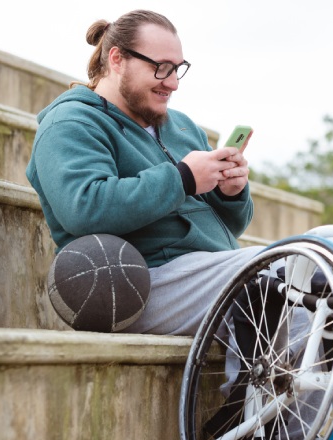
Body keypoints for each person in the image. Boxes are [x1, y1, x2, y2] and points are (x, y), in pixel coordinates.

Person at [26, 9, 263, 337]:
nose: (173, 82)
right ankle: (259, 382)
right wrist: (182, 178)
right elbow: (84, 209)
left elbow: (230, 227)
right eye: (161, 68)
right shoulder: (70, 124)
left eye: (178, 69)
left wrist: (231, 193)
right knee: (284, 266)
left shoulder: (182, 126)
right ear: (117, 59)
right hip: (142, 281)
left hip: (212, 273)